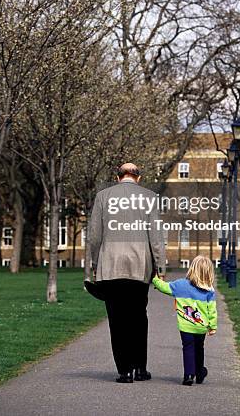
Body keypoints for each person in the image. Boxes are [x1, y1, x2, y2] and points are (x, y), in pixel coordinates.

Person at [88, 162, 166, 383]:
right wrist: (160, 267)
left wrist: (95, 264)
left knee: (117, 319)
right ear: (138, 178)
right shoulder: (149, 197)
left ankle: (124, 371)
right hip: (139, 266)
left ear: (118, 177)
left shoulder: (103, 196)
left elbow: (94, 236)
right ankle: (140, 368)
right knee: (138, 318)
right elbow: (156, 236)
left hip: (110, 266)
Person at [152, 255, 217, 386]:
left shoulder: (180, 285)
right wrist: (212, 326)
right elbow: (212, 310)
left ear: (191, 269)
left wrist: (155, 279)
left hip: (185, 326)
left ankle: (188, 375)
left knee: (188, 348)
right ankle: (199, 373)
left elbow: (164, 287)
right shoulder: (209, 290)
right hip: (201, 327)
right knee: (199, 348)